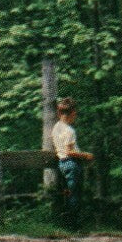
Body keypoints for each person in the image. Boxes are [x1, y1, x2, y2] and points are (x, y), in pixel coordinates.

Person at [52, 97, 93, 227]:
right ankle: (73, 224)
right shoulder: (69, 131)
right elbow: (69, 151)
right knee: (74, 194)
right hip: (71, 163)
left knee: (66, 192)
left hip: (62, 163)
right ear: (73, 113)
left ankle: (64, 220)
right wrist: (85, 155)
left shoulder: (56, 127)